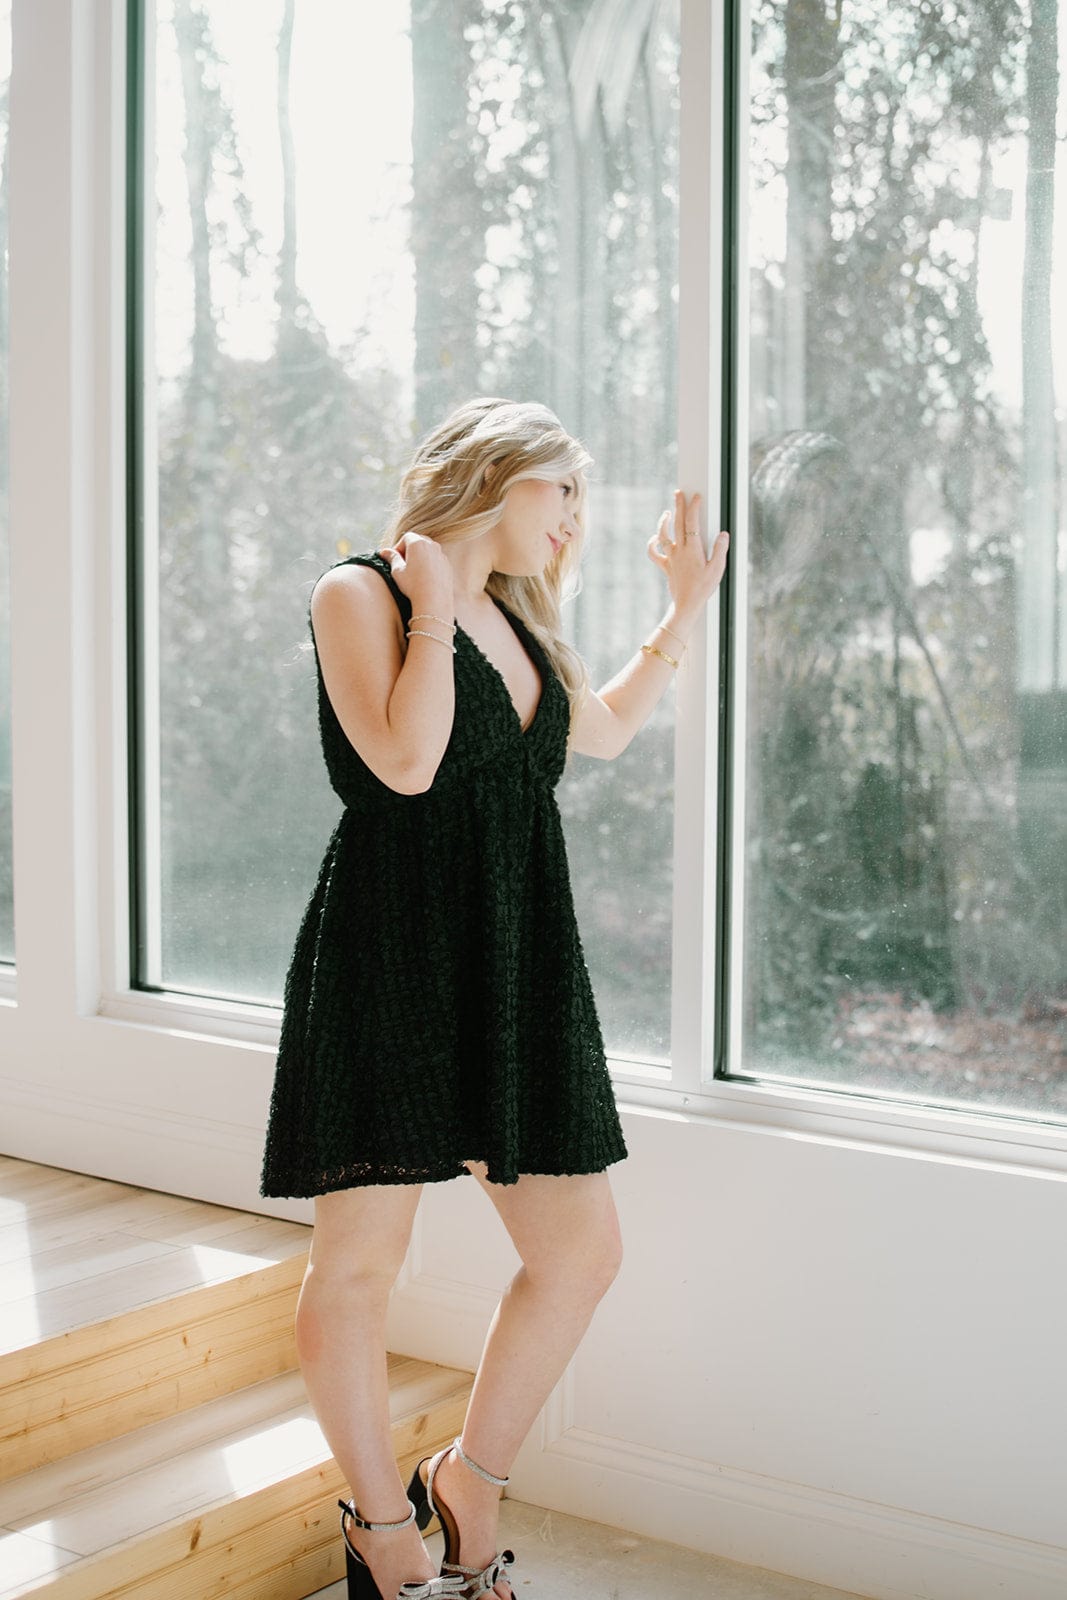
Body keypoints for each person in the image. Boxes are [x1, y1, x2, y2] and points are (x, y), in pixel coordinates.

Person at [260, 397, 729, 1600]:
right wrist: (429, 609)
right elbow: (406, 761)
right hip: (392, 954)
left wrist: (679, 612)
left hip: (514, 959)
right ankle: (382, 1528)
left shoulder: (517, 617)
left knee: (579, 1254)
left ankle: (469, 1480)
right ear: (494, 475)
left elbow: (600, 732)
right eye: (560, 487)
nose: (573, 518)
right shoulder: (358, 594)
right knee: (358, 1266)